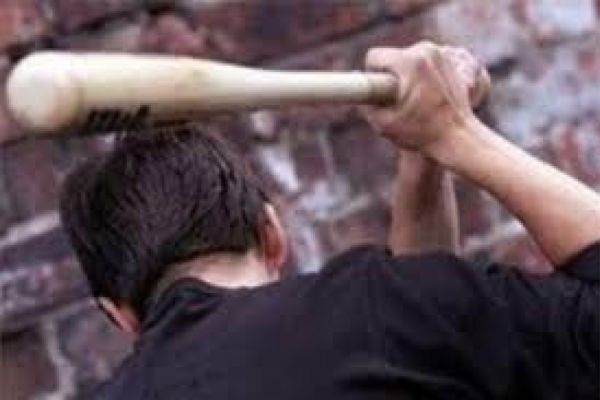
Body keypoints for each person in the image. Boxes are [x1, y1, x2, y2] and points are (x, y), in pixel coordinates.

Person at [59, 42, 599, 399]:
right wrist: (454, 133)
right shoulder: (368, 309)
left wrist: (422, 155)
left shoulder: (385, 314)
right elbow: (412, 324)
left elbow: (423, 336)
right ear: (273, 235)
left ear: (120, 315)